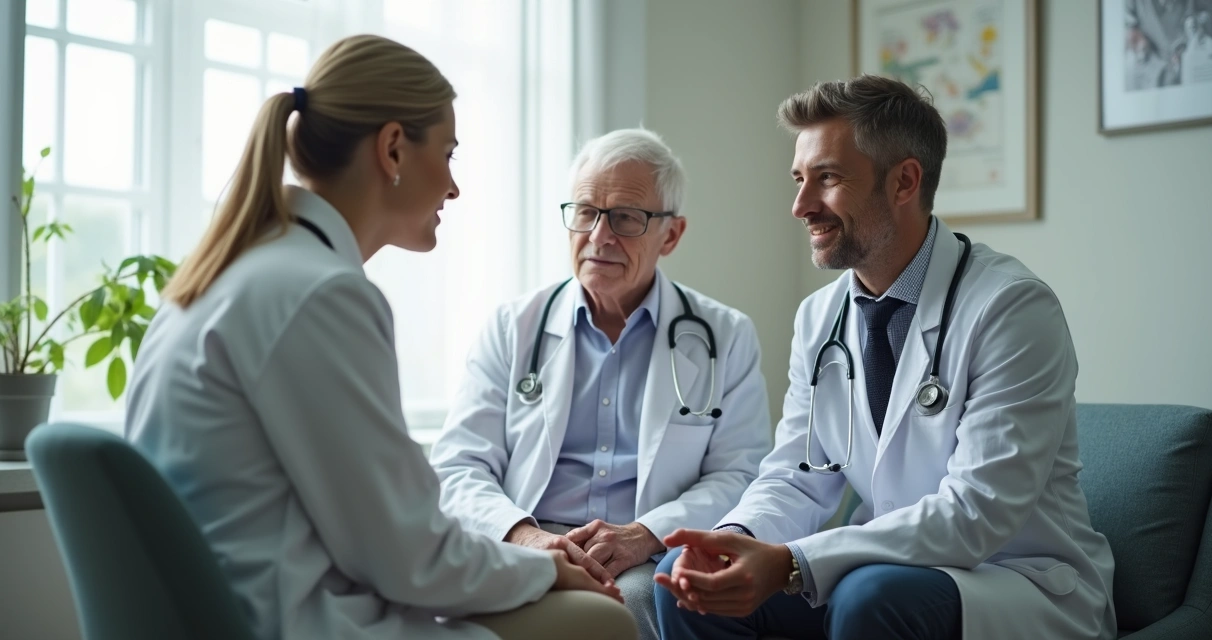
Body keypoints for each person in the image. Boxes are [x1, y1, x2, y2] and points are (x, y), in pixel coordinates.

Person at [125, 34, 636, 640]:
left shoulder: (227, 275)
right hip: (291, 623)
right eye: (447, 153)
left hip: (231, 609)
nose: (453, 186)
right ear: (393, 148)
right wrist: (544, 568)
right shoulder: (320, 294)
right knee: (604, 621)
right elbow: (408, 559)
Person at [652, 75, 1116, 640]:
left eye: (827, 178)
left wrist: (794, 563)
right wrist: (736, 540)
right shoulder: (819, 316)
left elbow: (978, 512)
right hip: (879, 568)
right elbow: (797, 478)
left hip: (1013, 581)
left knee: (869, 596)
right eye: (799, 179)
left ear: (904, 181)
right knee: (686, 583)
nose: (800, 206)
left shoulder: (1012, 307)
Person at [429, 128, 773, 640]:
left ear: (671, 235)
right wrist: (525, 537)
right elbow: (460, 466)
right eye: (586, 212)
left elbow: (739, 473)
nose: (599, 235)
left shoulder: (725, 334)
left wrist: (644, 534)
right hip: (524, 541)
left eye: (626, 218)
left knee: (633, 606)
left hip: (642, 552)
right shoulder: (512, 327)